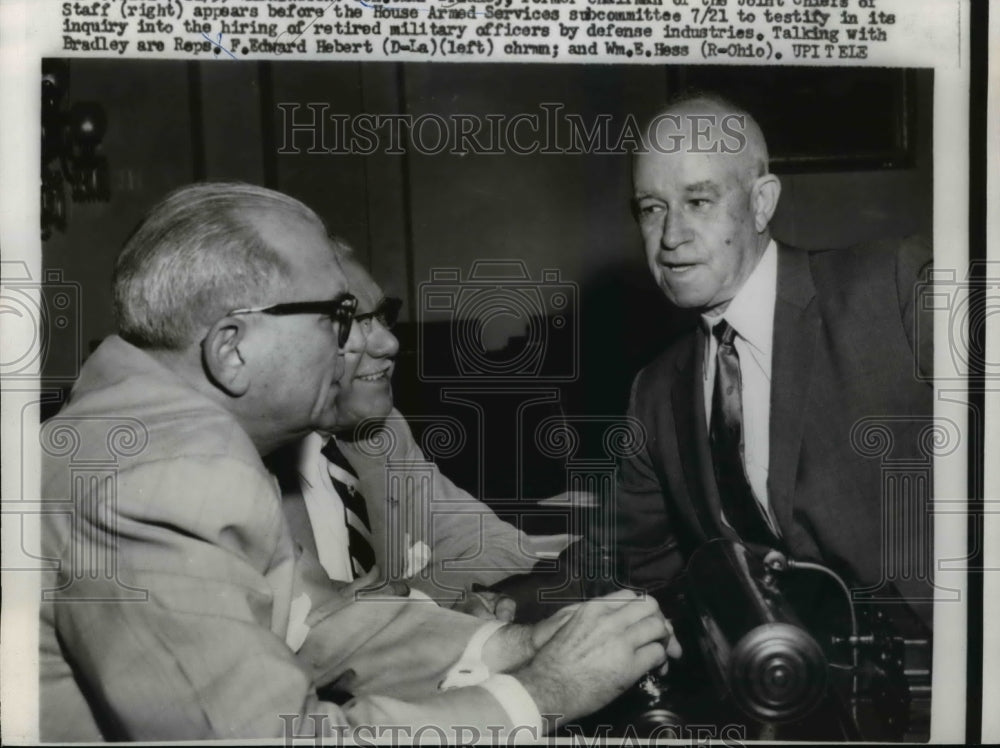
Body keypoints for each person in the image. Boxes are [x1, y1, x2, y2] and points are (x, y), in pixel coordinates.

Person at [38, 182, 676, 741]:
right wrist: (542, 693)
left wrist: (517, 645)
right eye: (336, 317)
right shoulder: (158, 472)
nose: (356, 345)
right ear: (231, 349)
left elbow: (316, 619)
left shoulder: (171, 429)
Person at [616, 94, 935, 631]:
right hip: (785, 690)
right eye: (652, 209)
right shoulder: (654, 391)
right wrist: (503, 612)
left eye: (698, 201)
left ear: (762, 203)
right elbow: (628, 566)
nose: (670, 237)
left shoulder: (896, 288)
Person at [272, 245, 574, 619]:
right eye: (352, 323)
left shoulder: (380, 436)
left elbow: (501, 545)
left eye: (382, 317)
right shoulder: (241, 469)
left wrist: (418, 605)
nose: (390, 343)